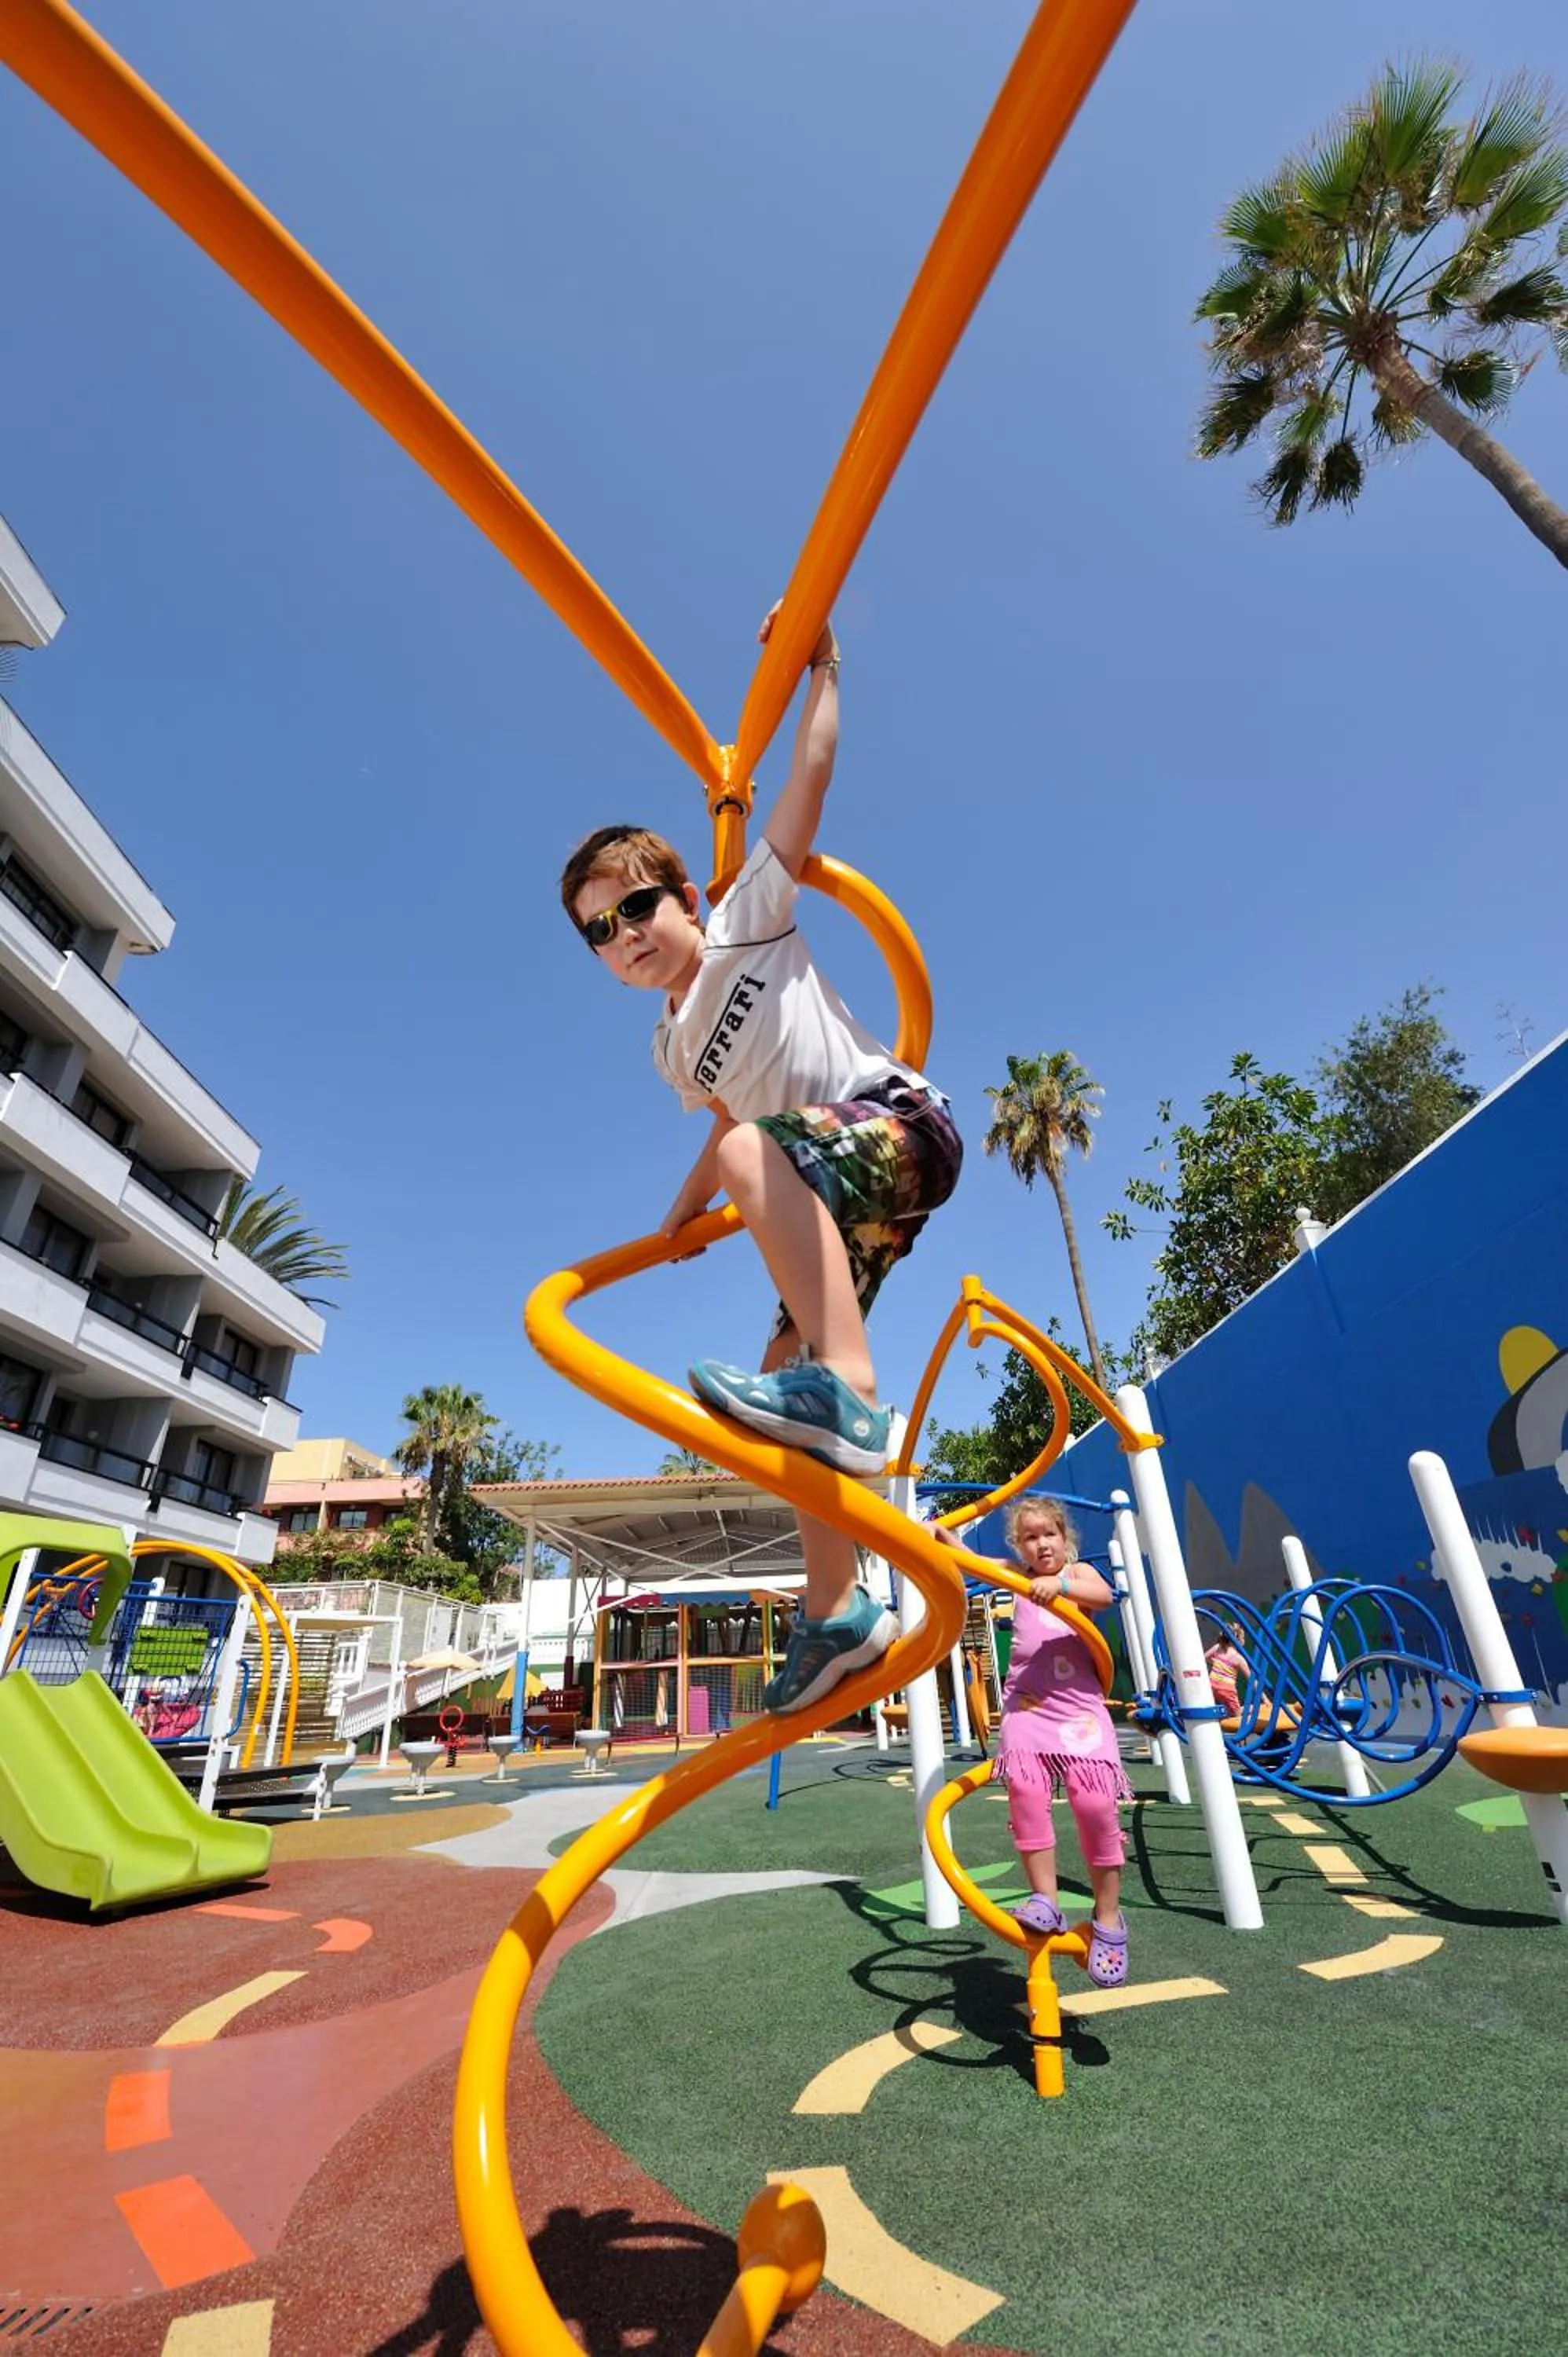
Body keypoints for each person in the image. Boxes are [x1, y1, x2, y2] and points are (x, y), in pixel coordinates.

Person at [560, 604, 962, 1714]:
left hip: (898, 1133)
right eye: (600, 931)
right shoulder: (671, 1045)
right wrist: (678, 1220)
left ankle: (858, 1395)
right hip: (829, 1191)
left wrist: (826, 665)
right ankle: (837, 1614)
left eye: (637, 906)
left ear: (684, 898)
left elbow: (814, 775)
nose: (627, 934)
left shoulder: (749, 918)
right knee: (790, 1354)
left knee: (821, 1362)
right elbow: (720, 1125)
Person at [940, 1498, 1131, 1987]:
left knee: (1094, 1805)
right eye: (1030, 1537)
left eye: (1049, 1534)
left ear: (1064, 1538)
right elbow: (973, 1560)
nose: (1041, 1544)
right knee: (1025, 1791)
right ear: (1019, 1545)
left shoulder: (1078, 1575)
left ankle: (1108, 1919)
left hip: (1079, 1710)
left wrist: (1060, 1584)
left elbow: (1104, 1596)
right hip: (1028, 1707)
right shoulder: (1017, 1575)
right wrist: (940, 1536)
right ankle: (1045, 1898)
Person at [1205, 1623, 1249, 1719]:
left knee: (1219, 1709)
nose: (1244, 1640)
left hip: (1212, 1686)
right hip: (1227, 1689)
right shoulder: (1239, 1658)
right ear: (1237, 1639)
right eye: (1243, 1637)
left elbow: (1204, 1658)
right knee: (1237, 1716)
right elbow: (1251, 1679)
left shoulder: (1218, 1648)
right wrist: (1265, 1698)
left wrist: (1216, 1663)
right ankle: (1249, 1709)